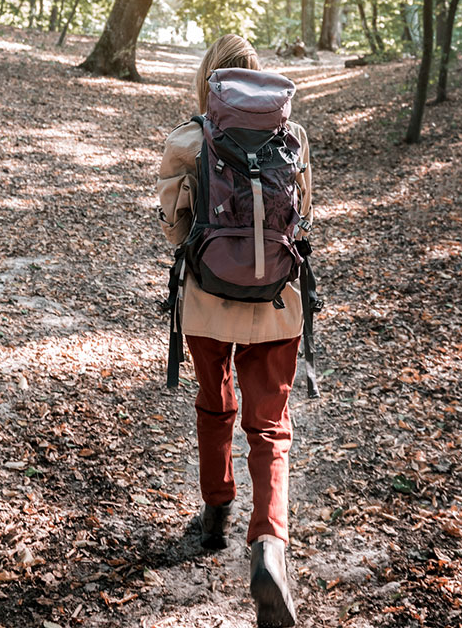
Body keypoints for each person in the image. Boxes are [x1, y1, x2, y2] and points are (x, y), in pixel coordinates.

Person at [155, 34, 313, 627]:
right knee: (270, 426)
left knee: (214, 400)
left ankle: (216, 511)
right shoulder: (292, 137)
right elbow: (303, 217)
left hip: (207, 300)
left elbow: (174, 227)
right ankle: (269, 545)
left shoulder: (187, 139)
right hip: (277, 302)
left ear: (208, 80)